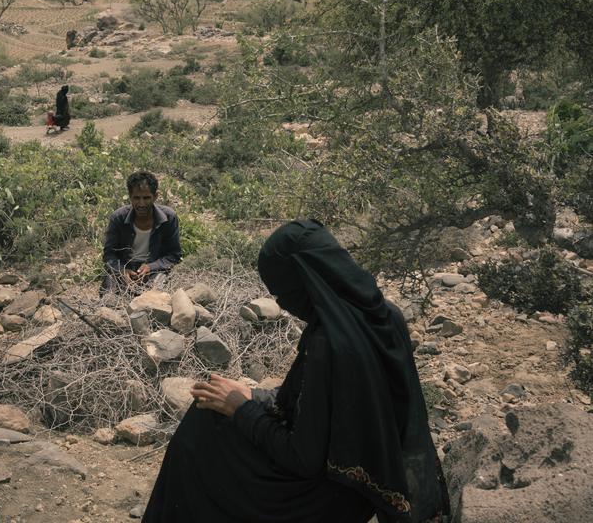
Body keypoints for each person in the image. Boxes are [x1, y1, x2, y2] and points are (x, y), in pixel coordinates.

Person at [143, 219, 450, 523]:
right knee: (214, 412)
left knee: (203, 430)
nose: (282, 303)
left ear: (304, 282)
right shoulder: (384, 316)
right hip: (362, 490)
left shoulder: (329, 343)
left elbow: (302, 459)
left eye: (282, 292)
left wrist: (242, 409)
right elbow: (325, 405)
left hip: (324, 498)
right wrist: (255, 394)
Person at [101, 171, 182, 294]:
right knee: (108, 299)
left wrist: (151, 267)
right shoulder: (118, 218)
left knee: (155, 297)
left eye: (146, 198)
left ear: (155, 196)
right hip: (124, 268)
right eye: (137, 198)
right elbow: (109, 255)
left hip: (154, 270)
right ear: (130, 197)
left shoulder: (169, 218)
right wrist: (122, 270)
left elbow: (173, 255)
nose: (141, 204)